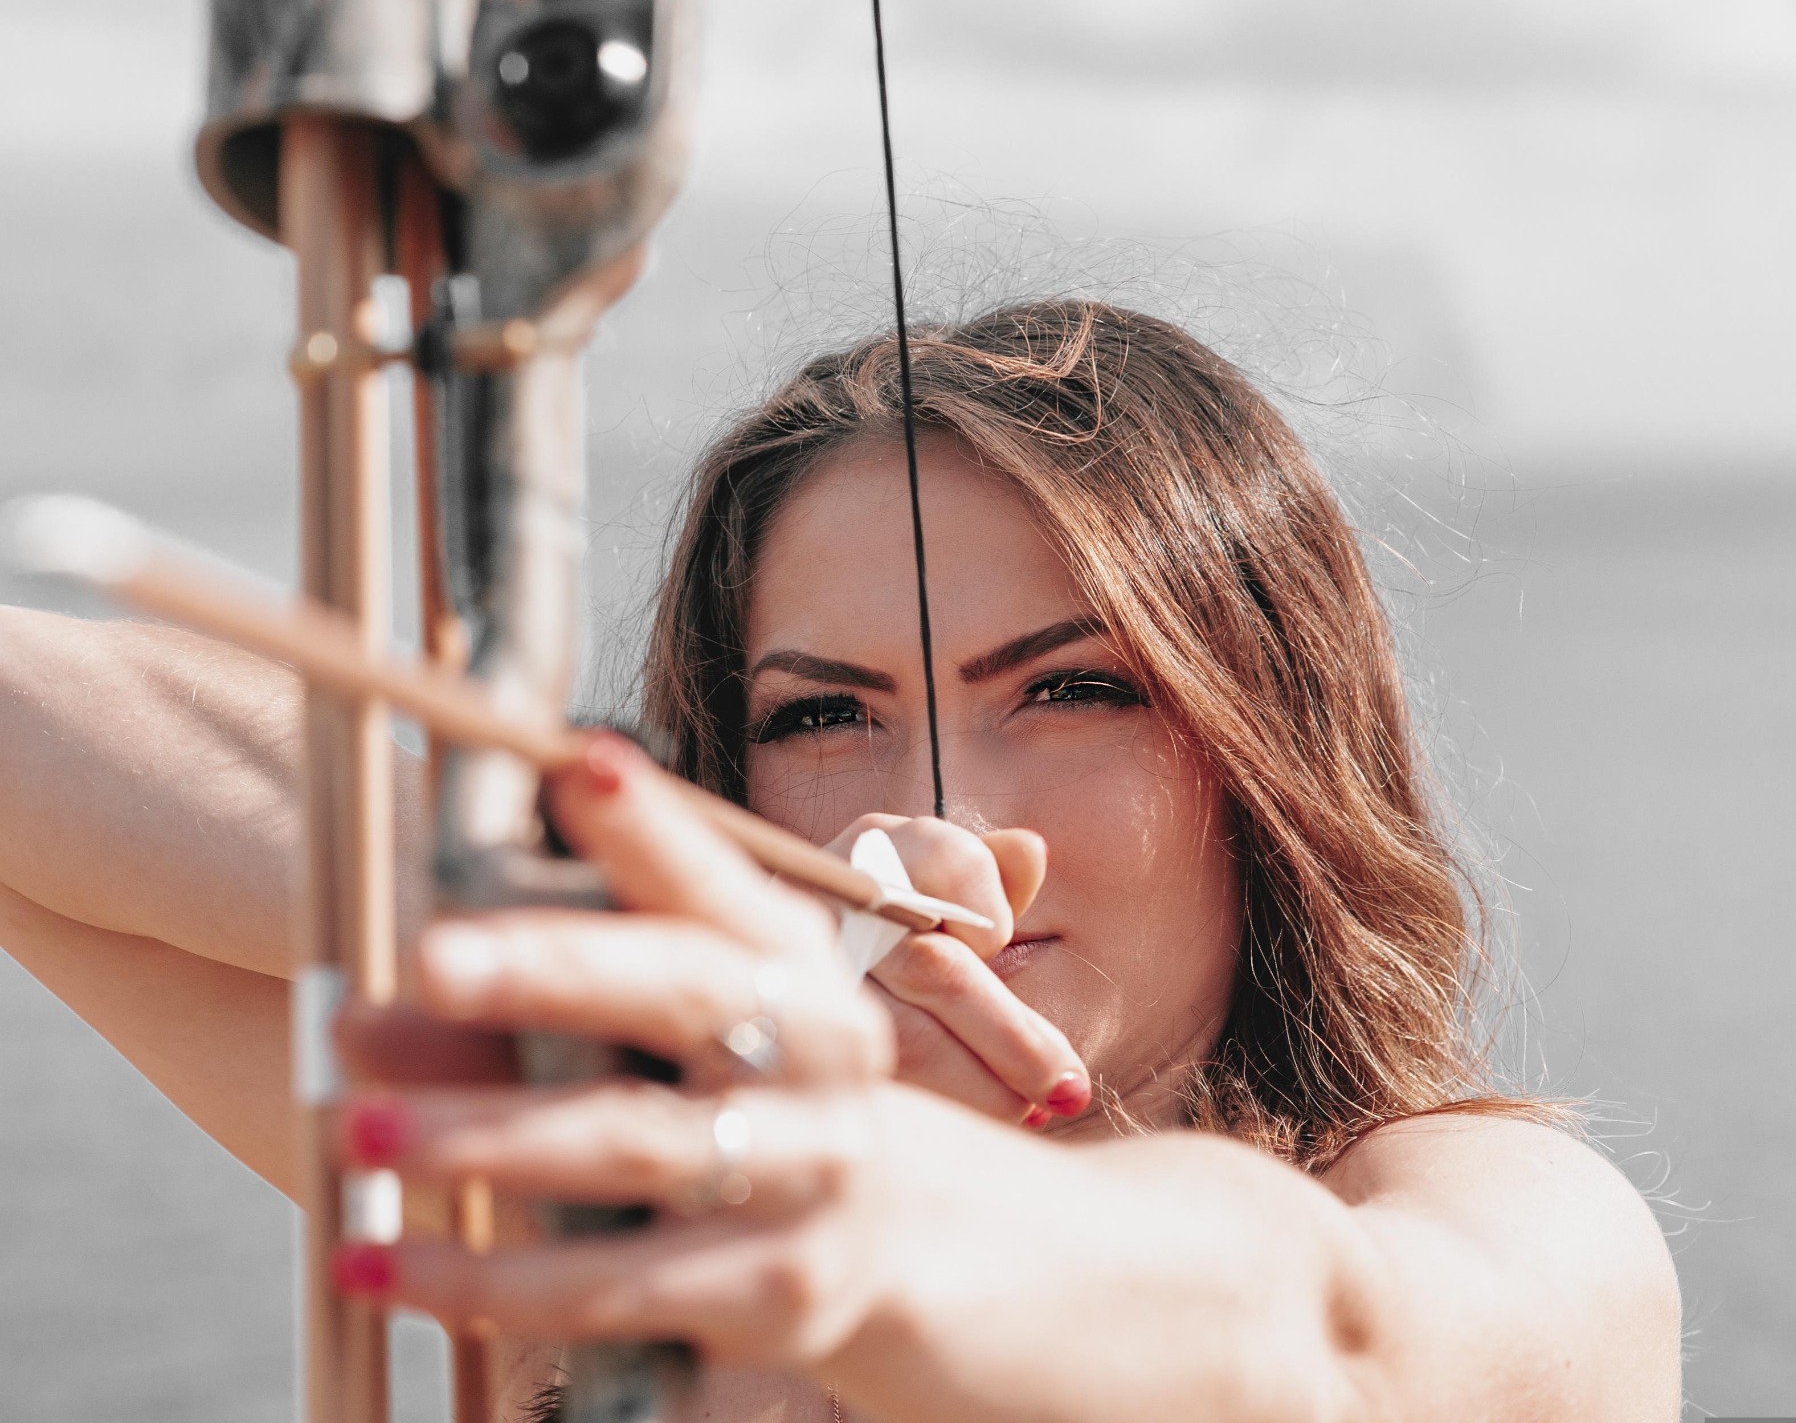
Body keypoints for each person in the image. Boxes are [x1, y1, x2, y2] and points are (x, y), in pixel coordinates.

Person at [0, 299, 1681, 1422]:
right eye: (820, 719)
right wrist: (624, 896)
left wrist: (856, 1207)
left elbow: (1327, 1348)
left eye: (1075, 690)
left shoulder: (1519, 1227)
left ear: (1269, 747)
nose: (940, 817)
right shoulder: (626, 1229)